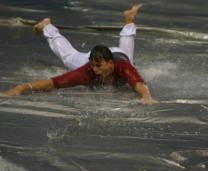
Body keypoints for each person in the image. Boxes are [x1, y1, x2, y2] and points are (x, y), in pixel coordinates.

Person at [1, 4, 157, 104]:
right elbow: (53, 83)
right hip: (94, 56)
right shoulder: (87, 70)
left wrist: (147, 97)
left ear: (110, 64)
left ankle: (129, 17)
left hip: (119, 55)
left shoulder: (123, 67)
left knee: (127, 48)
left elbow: (139, 84)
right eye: (93, 66)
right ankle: (48, 26)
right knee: (68, 57)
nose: (95, 70)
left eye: (98, 66)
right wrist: (21, 87)